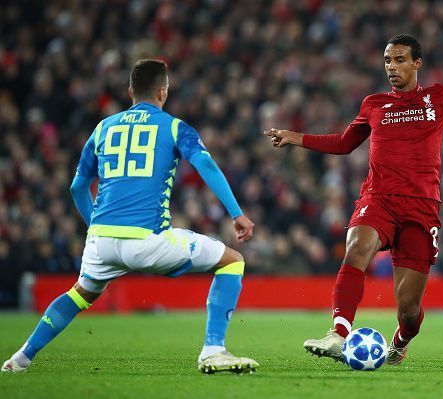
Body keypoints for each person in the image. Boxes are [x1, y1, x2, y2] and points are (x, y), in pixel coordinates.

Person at [265, 32, 443, 365]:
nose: (392, 67)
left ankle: (401, 341)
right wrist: (297, 138)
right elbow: (345, 143)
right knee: (356, 246)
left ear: (417, 63)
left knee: (408, 309)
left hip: (422, 208)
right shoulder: (373, 104)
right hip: (379, 198)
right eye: (388, 60)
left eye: (400, 59)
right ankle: (338, 333)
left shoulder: (441, 97)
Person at [2, 59, 259, 374]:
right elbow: (205, 166)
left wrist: (95, 227)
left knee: (80, 293)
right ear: (162, 92)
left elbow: (77, 187)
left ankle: (21, 358)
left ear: (129, 91)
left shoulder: (103, 128)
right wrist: (236, 213)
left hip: (101, 241)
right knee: (232, 260)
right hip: (147, 240)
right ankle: (213, 349)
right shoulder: (175, 127)